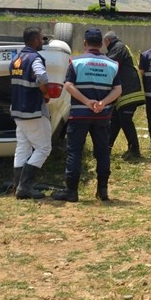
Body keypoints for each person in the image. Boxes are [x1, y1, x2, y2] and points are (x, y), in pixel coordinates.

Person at [54, 28, 121, 202]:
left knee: (74, 152)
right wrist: (103, 103)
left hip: (79, 115)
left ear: (85, 43)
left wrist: (86, 102)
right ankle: (103, 190)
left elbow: (68, 85)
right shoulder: (112, 64)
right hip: (102, 116)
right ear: (101, 44)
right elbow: (118, 89)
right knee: (102, 152)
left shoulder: (76, 62)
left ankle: (72, 191)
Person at [9, 27, 55, 199]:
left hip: (18, 112)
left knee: (23, 147)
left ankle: (17, 185)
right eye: (42, 39)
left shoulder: (17, 59)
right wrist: (45, 92)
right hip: (33, 111)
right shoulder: (35, 58)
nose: (42, 42)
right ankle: (25, 187)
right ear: (35, 40)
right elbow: (42, 77)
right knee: (44, 148)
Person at [104, 31, 146, 160]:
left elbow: (109, 65)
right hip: (125, 91)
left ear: (108, 41)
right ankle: (106, 148)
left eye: (104, 43)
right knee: (115, 121)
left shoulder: (118, 47)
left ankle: (135, 150)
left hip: (129, 92)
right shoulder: (120, 47)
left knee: (125, 120)